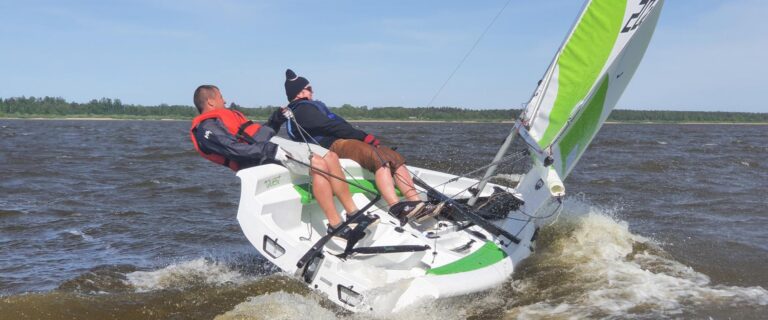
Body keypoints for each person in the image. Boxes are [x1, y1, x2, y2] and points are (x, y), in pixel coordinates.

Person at [189, 85, 365, 247]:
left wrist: (276, 119)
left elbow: (257, 135)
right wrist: (272, 151)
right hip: (261, 157)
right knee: (318, 163)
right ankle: (335, 226)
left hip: (270, 145)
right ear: (210, 101)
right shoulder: (207, 128)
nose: (225, 100)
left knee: (330, 156)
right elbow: (235, 149)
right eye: (221, 97)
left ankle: (353, 214)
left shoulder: (224, 118)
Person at [278, 69, 433, 219]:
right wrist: (364, 137)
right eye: (309, 88)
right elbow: (332, 127)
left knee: (394, 157)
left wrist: (364, 139)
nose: (313, 91)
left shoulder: (308, 107)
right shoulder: (302, 109)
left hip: (343, 141)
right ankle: (396, 207)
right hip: (332, 145)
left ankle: (417, 203)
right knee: (378, 157)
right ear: (300, 93)